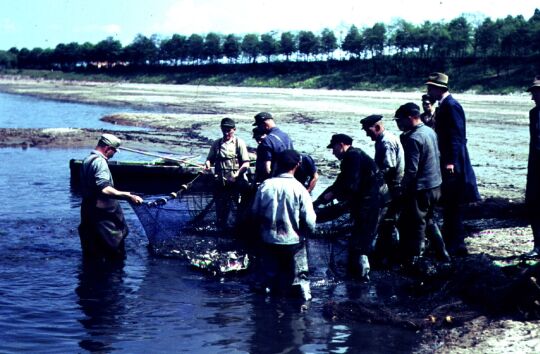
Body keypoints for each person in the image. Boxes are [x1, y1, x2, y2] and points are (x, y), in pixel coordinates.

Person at [314, 134, 387, 281]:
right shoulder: (354, 155)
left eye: (333, 148)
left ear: (341, 145)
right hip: (371, 199)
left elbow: (348, 185)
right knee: (361, 235)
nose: (333, 152)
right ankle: (361, 270)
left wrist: (332, 201)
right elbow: (339, 184)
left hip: (372, 201)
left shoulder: (352, 157)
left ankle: (363, 276)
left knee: (362, 237)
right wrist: (319, 201)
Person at [426, 72, 480, 257]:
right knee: (449, 204)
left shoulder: (452, 105)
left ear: (438, 88)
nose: (428, 91)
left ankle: (457, 245)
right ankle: (451, 243)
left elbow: (457, 136)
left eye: (430, 88)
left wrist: (451, 162)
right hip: (448, 160)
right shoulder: (444, 105)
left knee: (454, 204)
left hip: (454, 164)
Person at [251, 149, 316, 300]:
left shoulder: (265, 186)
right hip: (294, 242)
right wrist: (307, 234)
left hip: (269, 239)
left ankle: (265, 311)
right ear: (298, 165)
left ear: (277, 164)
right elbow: (310, 221)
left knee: (268, 278)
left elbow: (254, 213)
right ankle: (302, 308)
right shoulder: (300, 189)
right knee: (300, 280)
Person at [394, 103, 449, 264]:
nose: (398, 124)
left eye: (400, 120)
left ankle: (415, 259)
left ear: (410, 117)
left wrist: (401, 188)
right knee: (430, 220)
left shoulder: (413, 138)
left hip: (422, 189)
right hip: (436, 185)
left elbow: (411, 170)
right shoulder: (429, 131)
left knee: (417, 224)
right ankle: (443, 254)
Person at [78, 133, 143, 260]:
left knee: (93, 249)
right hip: (102, 212)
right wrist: (127, 196)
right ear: (108, 148)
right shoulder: (100, 163)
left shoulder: (87, 160)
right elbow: (104, 189)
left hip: (87, 209)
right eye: (114, 151)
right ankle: (113, 276)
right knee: (113, 249)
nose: (113, 155)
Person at [360, 114, 404, 262]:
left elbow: (388, 168)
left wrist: (369, 179)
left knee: (387, 221)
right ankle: (386, 254)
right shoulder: (382, 140)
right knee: (388, 222)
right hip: (391, 186)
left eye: (368, 130)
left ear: (377, 127)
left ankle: (387, 255)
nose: (366, 134)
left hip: (393, 187)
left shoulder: (386, 142)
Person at [205, 117, 251, 228]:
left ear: (234, 129)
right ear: (221, 128)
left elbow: (246, 164)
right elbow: (209, 159)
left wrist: (235, 175)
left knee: (238, 207)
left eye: (229, 130)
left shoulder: (239, 143)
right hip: (220, 182)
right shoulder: (216, 143)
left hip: (236, 182)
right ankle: (221, 226)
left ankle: (239, 228)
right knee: (220, 208)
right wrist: (207, 164)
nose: (226, 132)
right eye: (224, 129)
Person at [252, 112, 294, 183]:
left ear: (265, 124)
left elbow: (267, 168)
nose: (259, 128)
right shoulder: (286, 136)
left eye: (259, 126)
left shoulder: (267, 140)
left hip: (273, 180)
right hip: (288, 178)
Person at [524, 76, 540, 258]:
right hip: (535, 169)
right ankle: (538, 246)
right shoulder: (533, 113)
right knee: (534, 206)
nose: (533, 97)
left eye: (535, 93)